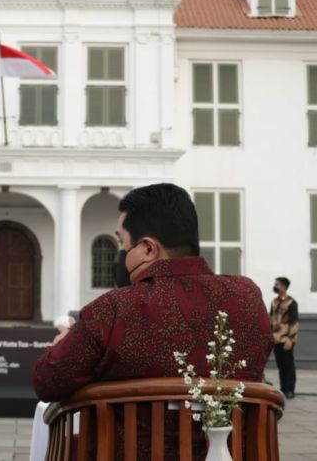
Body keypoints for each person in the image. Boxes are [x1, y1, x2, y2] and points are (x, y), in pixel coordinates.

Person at [32, 183, 274, 459]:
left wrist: (63, 343)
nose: (121, 255)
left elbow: (47, 381)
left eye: (122, 244)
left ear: (148, 249)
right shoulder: (248, 299)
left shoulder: (113, 309)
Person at [270, 276, 298, 399]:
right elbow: (270, 317)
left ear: (284, 287)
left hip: (286, 339)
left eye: (278, 284)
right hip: (276, 338)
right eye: (276, 284)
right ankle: (283, 388)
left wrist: (290, 339)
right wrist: (272, 324)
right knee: (281, 365)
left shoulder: (292, 303)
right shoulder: (274, 302)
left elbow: (294, 322)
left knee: (288, 365)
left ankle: (290, 389)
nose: (276, 286)